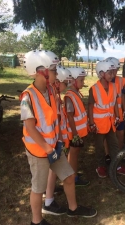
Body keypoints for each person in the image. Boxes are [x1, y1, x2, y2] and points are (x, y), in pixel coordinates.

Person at [21, 50, 97, 225]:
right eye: (54, 69)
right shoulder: (28, 96)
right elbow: (30, 128)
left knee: (69, 176)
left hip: (54, 147)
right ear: (41, 71)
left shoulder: (51, 91)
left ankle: (73, 208)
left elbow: (55, 119)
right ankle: (37, 221)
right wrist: (48, 150)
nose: (57, 72)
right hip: (39, 151)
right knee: (38, 189)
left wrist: (60, 141)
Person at [88, 61, 125, 178]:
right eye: (109, 73)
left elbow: (114, 103)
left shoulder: (114, 87)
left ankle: (117, 165)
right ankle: (101, 166)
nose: (112, 75)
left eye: (112, 73)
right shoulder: (93, 89)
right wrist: (91, 123)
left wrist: (117, 116)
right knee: (99, 147)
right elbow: (90, 106)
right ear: (101, 73)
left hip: (111, 122)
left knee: (114, 144)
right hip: (98, 124)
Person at [41, 65, 71, 216]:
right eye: (65, 83)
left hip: (55, 141)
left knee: (52, 172)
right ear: (58, 83)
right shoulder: (53, 98)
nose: (66, 87)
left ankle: (49, 194)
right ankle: (48, 201)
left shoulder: (55, 97)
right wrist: (59, 142)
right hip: (52, 143)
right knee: (52, 171)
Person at [64, 67, 90, 186]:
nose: (83, 83)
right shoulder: (70, 96)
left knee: (75, 153)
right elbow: (70, 116)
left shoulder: (76, 93)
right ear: (73, 81)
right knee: (73, 153)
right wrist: (75, 135)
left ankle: (73, 172)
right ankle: (72, 177)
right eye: (81, 80)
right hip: (75, 133)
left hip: (79, 132)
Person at [103, 57, 125, 165]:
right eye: (112, 70)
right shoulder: (104, 82)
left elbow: (122, 96)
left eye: (116, 70)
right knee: (108, 135)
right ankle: (107, 155)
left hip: (119, 112)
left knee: (120, 134)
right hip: (107, 114)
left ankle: (119, 154)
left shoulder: (120, 80)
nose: (114, 72)